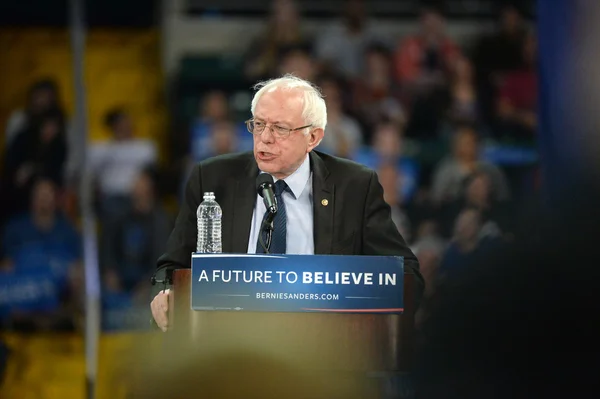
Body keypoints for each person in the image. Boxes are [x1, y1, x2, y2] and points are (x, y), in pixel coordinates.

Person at [150, 74, 423, 331]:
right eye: (258, 124)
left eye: (280, 128)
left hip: (322, 348)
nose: (265, 138)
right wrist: (166, 292)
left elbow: (406, 276)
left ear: (313, 137)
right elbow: (172, 265)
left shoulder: (354, 187)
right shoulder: (212, 178)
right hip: (231, 346)